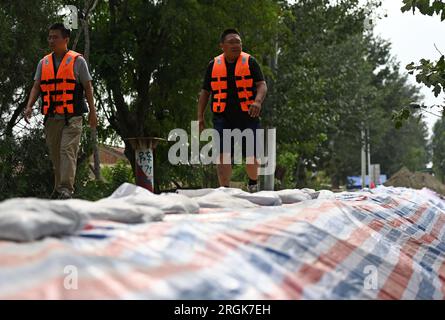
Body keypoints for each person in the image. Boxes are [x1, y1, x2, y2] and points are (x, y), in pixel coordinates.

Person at [24, 23, 97, 199]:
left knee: (67, 151)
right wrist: (29, 105)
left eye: (55, 37)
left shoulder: (78, 61)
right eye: (49, 37)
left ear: (66, 39)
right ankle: (59, 190)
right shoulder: (44, 62)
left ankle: (66, 189)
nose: (51, 40)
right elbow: (37, 86)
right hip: (52, 118)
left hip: (72, 117)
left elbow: (88, 87)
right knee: (57, 158)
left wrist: (93, 113)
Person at [197, 28, 267, 192]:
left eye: (238, 42)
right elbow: (205, 92)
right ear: (222, 46)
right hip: (223, 117)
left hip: (248, 116)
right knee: (222, 155)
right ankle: (225, 191)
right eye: (231, 42)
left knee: (252, 156)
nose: (236, 45)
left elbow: (262, 85)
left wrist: (257, 101)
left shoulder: (250, 62)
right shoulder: (213, 65)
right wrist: (200, 117)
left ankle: (252, 184)